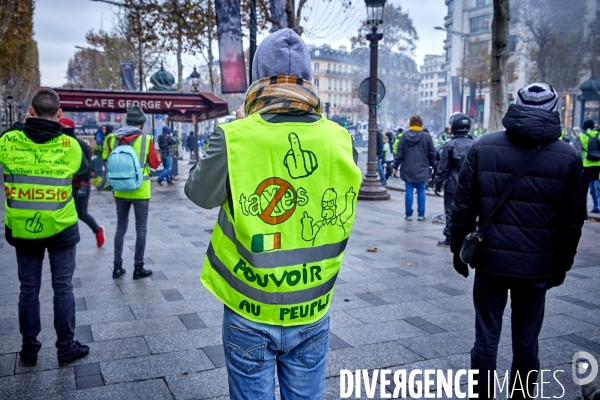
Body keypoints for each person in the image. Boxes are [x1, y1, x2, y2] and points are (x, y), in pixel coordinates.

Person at [185, 28, 362, 400]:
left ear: (256, 78)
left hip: (248, 308)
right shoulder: (340, 138)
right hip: (313, 306)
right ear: (310, 79)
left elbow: (200, 194)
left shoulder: (234, 135)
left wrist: (238, 128)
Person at [449, 83, 587, 398]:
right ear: (555, 111)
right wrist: (561, 264)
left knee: (485, 340)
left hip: (491, 262)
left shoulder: (484, 146)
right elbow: (572, 223)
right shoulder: (569, 157)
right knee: (526, 342)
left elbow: (462, 208)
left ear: (516, 107)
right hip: (537, 266)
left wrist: (459, 252)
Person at [0, 89, 91, 367]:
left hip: (22, 228)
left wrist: (20, 126)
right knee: (62, 288)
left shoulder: (7, 141)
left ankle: (29, 350)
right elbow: (84, 169)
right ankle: (65, 348)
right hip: (61, 227)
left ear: (30, 111)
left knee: (28, 289)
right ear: (59, 114)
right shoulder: (70, 145)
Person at [110, 106, 161, 279]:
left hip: (120, 189)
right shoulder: (146, 140)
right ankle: (138, 268)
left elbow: (109, 161)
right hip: (140, 190)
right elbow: (155, 164)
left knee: (120, 228)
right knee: (141, 229)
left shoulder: (113, 139)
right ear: (141, 123)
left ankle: (117, 267)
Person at [58, 118, 105, 247]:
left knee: (82, 214)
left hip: (79, 185)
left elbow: (88, 167)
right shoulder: (57, 145)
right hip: (63, 185)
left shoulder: (81, 145)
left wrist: (84, 186)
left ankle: (97, 230)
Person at [434, 113, 474, 247]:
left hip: (452, 184)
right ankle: (467, 237)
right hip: (471, 185)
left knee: (450, 212)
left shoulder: (450, 145)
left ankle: (450, 237)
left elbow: (443, 167)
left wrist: (438, 183)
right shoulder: (475, 144)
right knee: (470, 212)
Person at [393, 115, 436, 221]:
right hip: (422, 168)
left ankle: (409, 214)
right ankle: (421, 214)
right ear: (421, 124)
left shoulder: (404, 136)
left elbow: (399, 153)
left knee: (409, 190)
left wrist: (395, 166)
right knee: (421, 190)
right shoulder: (426, 137)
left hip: (408, 168)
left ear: (410, 124)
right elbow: (432, 153)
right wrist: (433, 165)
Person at [577, 120, 600, 213]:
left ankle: (583, 209)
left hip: (586, 164)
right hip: (599, 165)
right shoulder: (598, 135)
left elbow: (577, 151)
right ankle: (597, 206)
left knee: (583, 188)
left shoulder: (582, 136)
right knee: (597, 187)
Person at [96, 125, 114, 190]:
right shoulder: (108, 137)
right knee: (107, 173)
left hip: (108, 159)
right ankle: (108, 186)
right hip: (106, 158)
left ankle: (101, 186)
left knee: (106, 173)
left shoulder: (110, 137)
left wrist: (108, 159)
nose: (103, 131)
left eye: (105, 129)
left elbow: (111, 148)